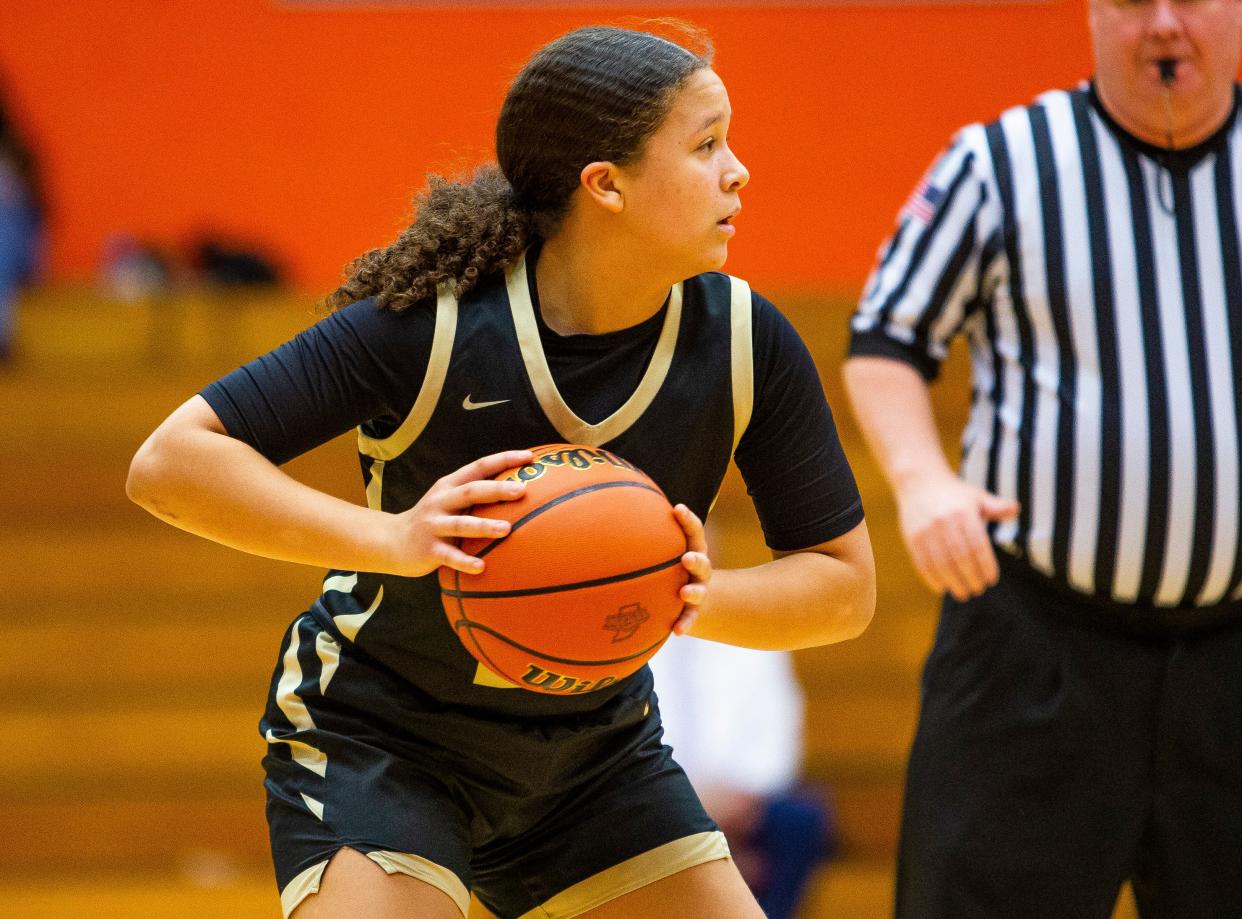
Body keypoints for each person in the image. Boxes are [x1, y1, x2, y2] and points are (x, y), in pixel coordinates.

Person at [128, 25, 875, 919]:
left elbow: (844, 586)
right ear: (607, 184)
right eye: (707, 144)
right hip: (387, 736)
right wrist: (396, 538)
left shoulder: (747, 344)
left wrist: (691, 597)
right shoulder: (433, 325)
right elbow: (170, 461)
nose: (738, 171)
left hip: (596, 757)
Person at [844, 1, 1242, 916]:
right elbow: (885, 343)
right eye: (1135, 2)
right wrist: (921, 481)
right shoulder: (1001, 163)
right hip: (1034, 649)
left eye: (1192, 0)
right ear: (1094, 14)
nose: (1165, 26)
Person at [649, 637, 833, 919]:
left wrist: (730, 808)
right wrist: (693, 804)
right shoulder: (637, 641)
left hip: (738, 802)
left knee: (800, 820)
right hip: (657, 799)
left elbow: (777, 745)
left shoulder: (750, 634)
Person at [0, 78, 43, 365]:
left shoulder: (14, 153)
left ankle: (3, 327)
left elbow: (35, 210)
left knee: (7, 227)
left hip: (12, 246)